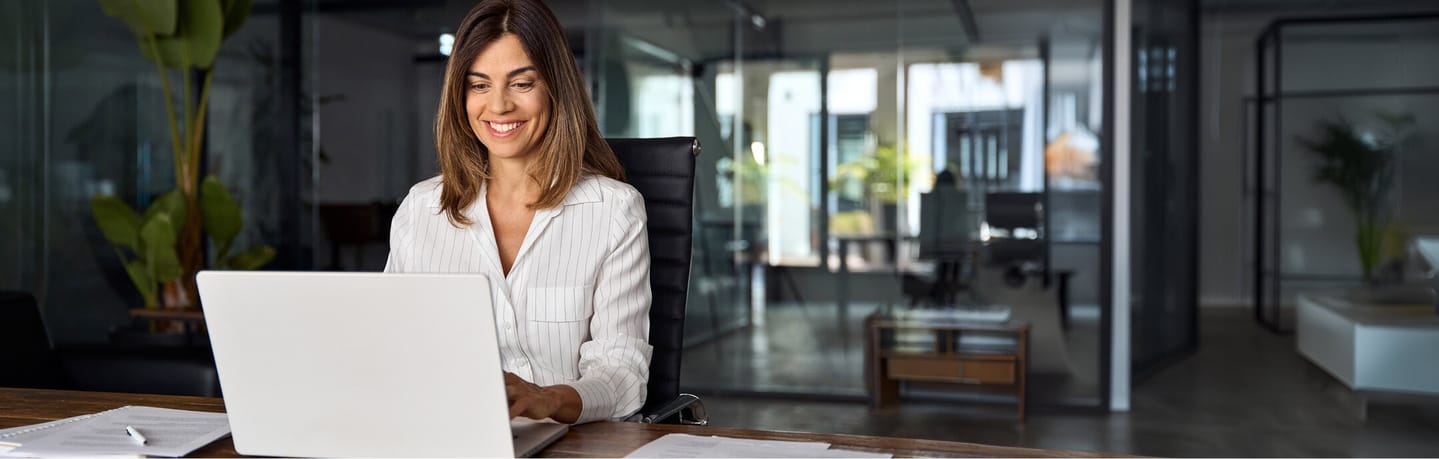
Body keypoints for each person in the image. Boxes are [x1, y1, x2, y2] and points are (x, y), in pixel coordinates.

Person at [384, 0, 651, 425]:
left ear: (555, 87)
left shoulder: (615, 211)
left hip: (568, 443)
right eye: (479, 85)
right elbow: (391, 348)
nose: (499, 106)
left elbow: (623, 374)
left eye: (522, 83)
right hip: (444, 436)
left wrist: (550, 399)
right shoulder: (421, 210)